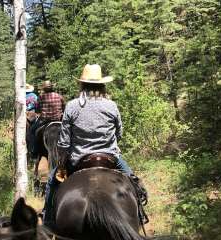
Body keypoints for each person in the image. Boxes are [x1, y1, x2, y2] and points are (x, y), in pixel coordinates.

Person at [43, 64, 147, 226]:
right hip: (110, 158)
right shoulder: (111, 105)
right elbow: (118, 134)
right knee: (134, 182)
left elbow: (63, 143)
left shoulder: (72, 106)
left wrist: (64, 160)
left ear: (82, 84)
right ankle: (140, 218)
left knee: (51, 180)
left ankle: (48, 222)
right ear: (102, 85)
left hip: (78, 160)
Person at [30, 80, 65, 158]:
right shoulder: (59, 96)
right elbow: (64, 108)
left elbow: (37, 110)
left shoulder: (40, 97)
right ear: (52, 87)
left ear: (44, 89)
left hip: (44, 121)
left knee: (33, 130)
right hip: (58, 121)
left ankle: (34, 152)